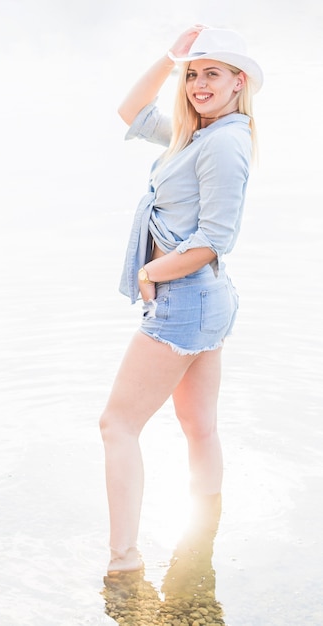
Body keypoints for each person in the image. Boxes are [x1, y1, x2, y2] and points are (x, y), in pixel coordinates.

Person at [99, 25, 263, 575]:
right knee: (199, 426)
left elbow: (215, 238)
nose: (198, 83)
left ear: (240, 82)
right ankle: (202, 550)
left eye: (211, 73)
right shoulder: (196, 134)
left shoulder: (222, 143)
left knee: (116, 425)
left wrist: (151, 269)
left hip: (185, 299)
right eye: (193, 75)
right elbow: (131, 110)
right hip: (206, 302)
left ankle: (123, 563)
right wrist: (172, 56)